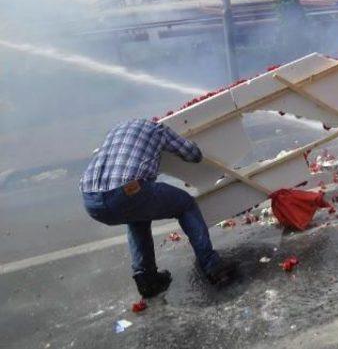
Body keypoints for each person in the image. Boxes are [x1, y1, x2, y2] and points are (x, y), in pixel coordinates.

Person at [80, 118, 237, 298]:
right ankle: (212, 265)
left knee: (137, 216)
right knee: (185, 204)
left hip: (91, 200)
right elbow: (193, 154)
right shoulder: (158, 129)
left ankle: (147, 279)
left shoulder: (115, 132)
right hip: (125, 192)